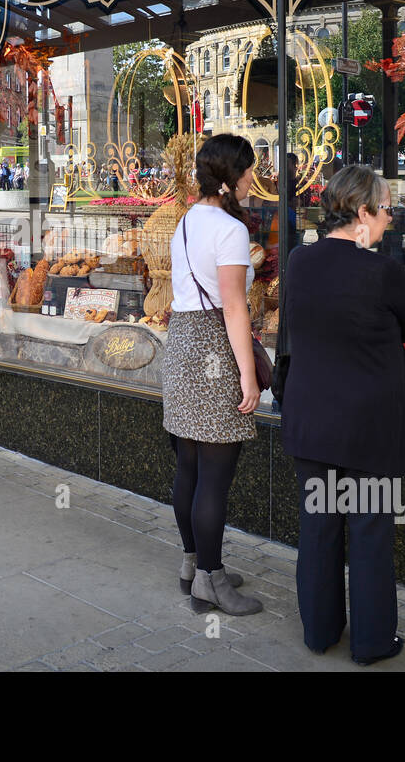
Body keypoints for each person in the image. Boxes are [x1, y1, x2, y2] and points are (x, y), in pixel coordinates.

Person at [280, 165, 405, 664]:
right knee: (369, 534)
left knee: (319, 529)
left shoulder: (300, 261)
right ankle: (371, 642)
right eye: (385, 210)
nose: (390, 220)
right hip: (369, 427)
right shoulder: (382, 271)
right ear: (362, 213)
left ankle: (319, 633)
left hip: (313, 420)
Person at [163, 133, 263, 617]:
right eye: (247, 171)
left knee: (189, 467)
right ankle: (211, 579)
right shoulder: (230, 229)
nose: (251, 178)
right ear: (229, 178)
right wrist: (248, 375)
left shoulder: (185, 220)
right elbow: (235, 308)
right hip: (213, 352)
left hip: (181, 345)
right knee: (214, 479)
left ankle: (193, 563)